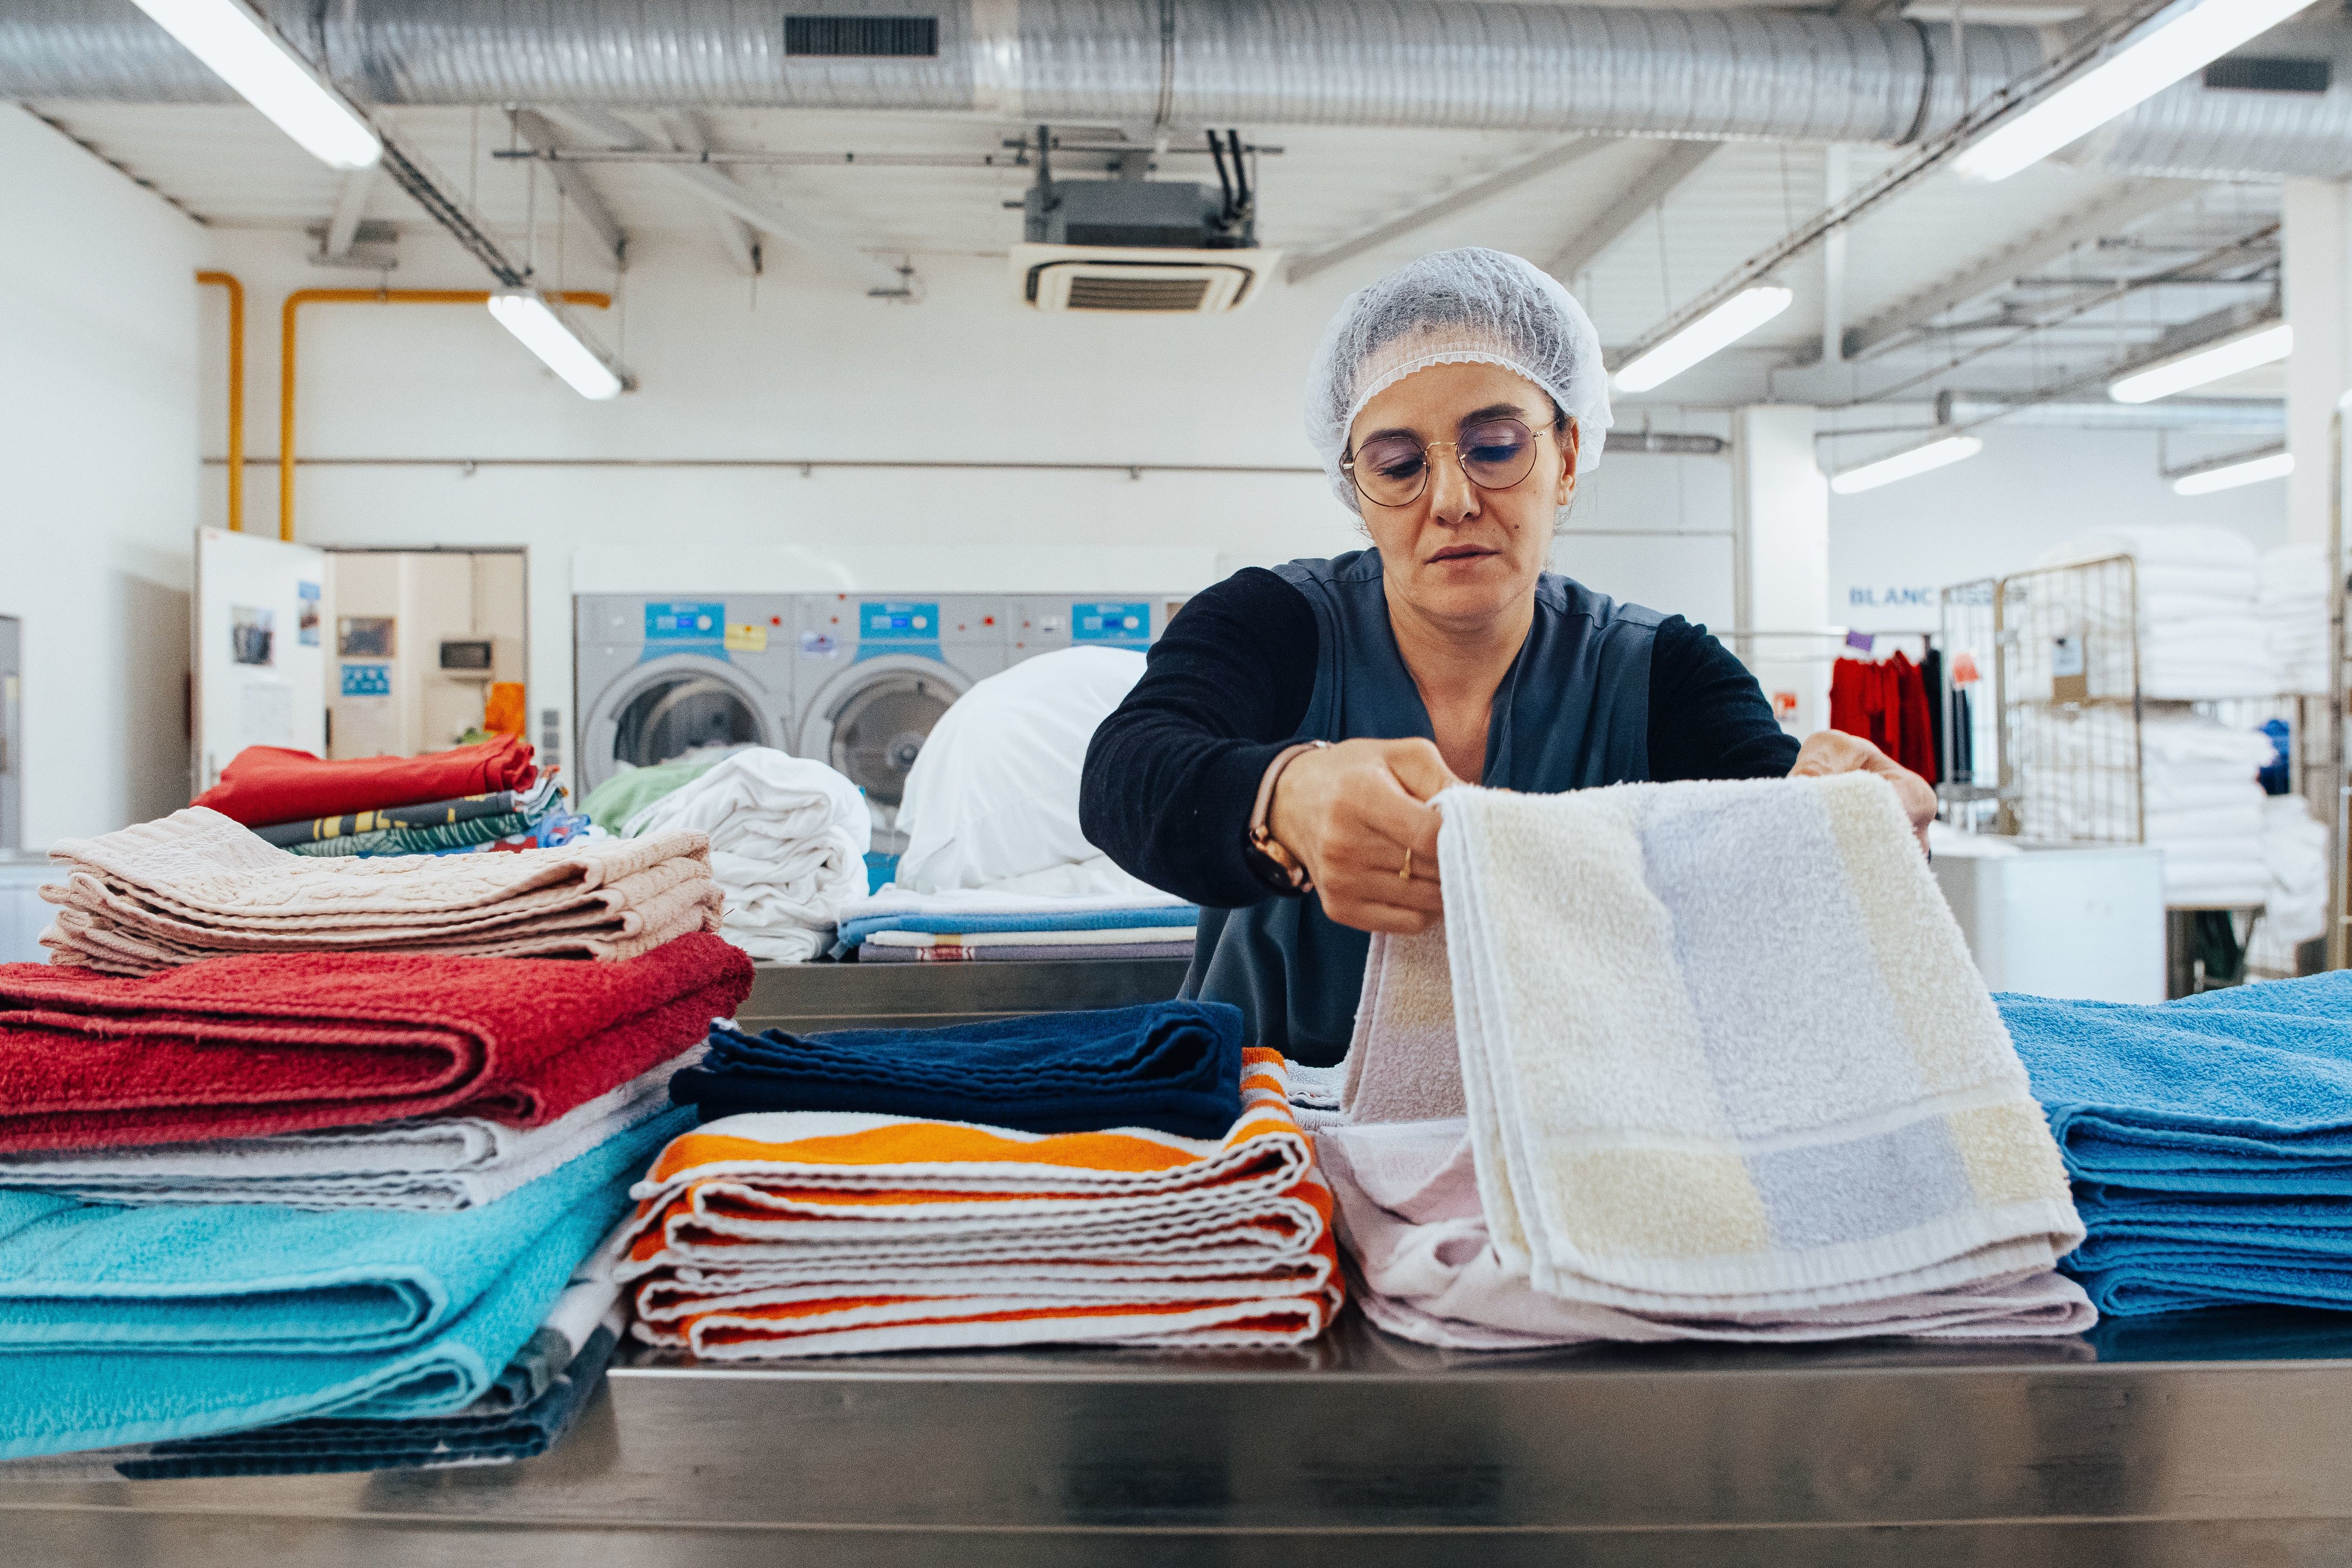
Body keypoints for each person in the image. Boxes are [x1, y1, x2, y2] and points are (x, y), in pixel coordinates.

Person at [1080, 247, 1934, 1066]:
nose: (1451, 501)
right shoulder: (1271, 624)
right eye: (1399, 464)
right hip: (1278, 1137)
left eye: (1494, 447)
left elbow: (1773, 834)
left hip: (1580, 1137)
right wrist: (1285, 798)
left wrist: (1853, 828)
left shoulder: (1659, 673)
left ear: (1565, 457)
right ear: (1358, 496)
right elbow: (1126, 773)